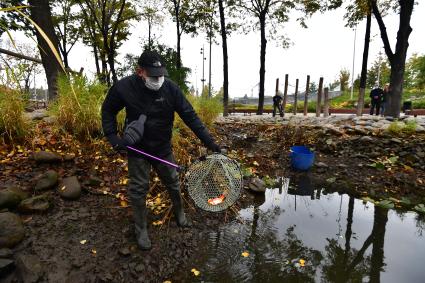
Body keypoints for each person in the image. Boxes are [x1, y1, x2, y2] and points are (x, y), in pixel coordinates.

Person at [101, 50, 221, 250]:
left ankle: (180, 214)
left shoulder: (171, 89)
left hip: (162, 147)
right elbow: (107, 110)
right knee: (138, 189)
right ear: (140, 72)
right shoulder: (124, 87)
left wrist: (211, 143)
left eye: (161, 74)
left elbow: (190, 117)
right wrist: (113, 137)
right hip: (137, 148)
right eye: (153, 75)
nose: (158, 79)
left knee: (173, 182)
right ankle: (141, 230)